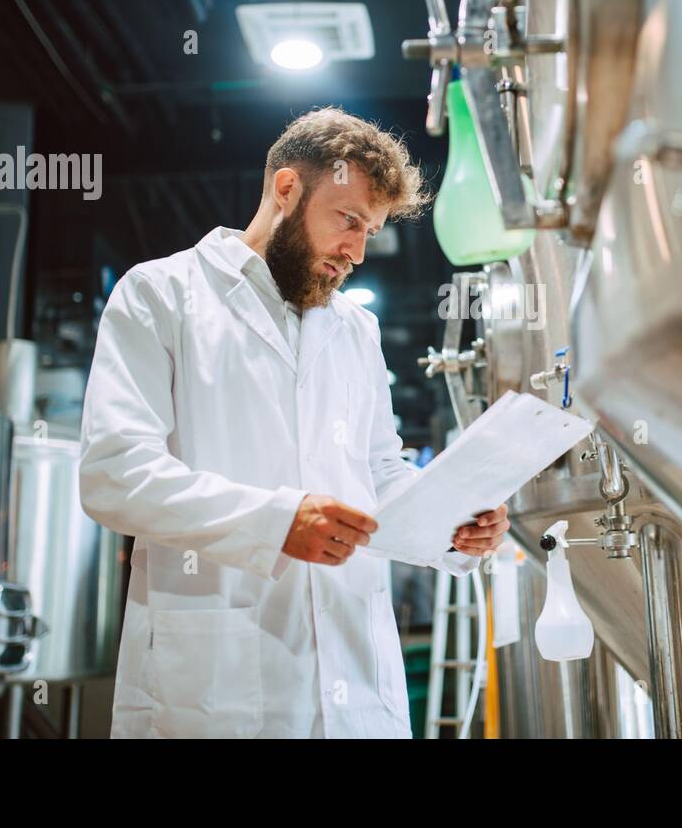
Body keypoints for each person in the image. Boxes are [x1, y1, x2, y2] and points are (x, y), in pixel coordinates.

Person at [79, 107, 509, 738]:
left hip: (354, 679)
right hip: (213, 683)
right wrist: (276, 522)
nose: (358, 251)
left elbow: (379, 473)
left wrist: (451, 523)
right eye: (349, 221)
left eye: (371, 230)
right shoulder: (161, 295)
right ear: (287, 189)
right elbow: (115, 474)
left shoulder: (355, 329)